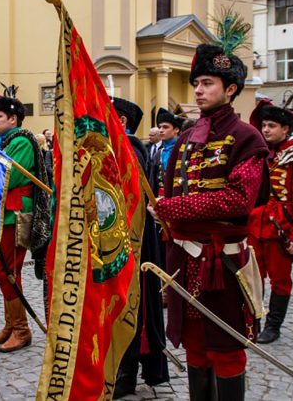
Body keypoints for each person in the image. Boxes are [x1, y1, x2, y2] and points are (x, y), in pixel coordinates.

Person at [152, 41, 268, 400]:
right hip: (185, 261)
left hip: (224, 264)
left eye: (207, 83)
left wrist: (172, 209)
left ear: (230, 89)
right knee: (195, 347)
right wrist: (161, 205)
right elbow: (170, 191)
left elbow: (237, 199)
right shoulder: (186, 137)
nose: (199, 91)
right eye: (196, 83)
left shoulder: (248, 138)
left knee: (227, 349)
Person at [247, 102, 293, 344]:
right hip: (256, 224)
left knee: (280, 279)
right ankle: (254, 320)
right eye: (264, 125)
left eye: (271, 126)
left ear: (285, 129)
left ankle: (273, 325)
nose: (265, 130)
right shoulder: (261, 154)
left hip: (281, 228)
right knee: (253, 276)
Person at [111, 97, 169, 398]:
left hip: (133, 243)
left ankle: (127, 371)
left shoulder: (130, 149)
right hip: (110, 241)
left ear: (120, 121)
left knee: (132, 305)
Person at [0, 84, 50, 353]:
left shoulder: (21, 141)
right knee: (3, 271)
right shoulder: (4, 141)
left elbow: (6, 175)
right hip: (6, 213)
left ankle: (22, 330)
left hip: (17, 214)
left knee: (8, 271)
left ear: (13, 119)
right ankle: (12, 324)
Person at [150, 108, 183, 199]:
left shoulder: (183, 151)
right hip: (160, 198)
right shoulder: (158, 153)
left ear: (176, 129)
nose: (160, 130)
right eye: (160, 127)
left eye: (165, 127)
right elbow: (153, 182)